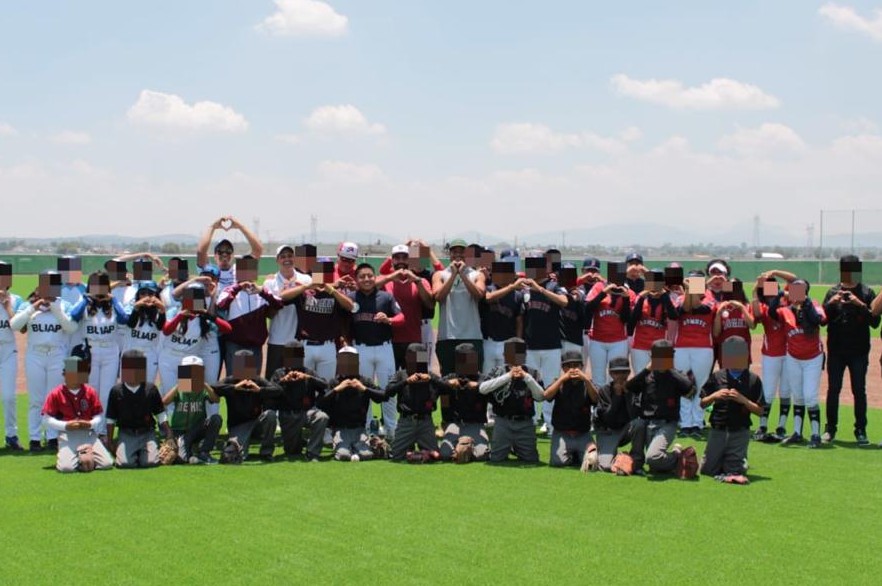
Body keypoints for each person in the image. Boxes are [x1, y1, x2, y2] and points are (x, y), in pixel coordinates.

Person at [10, 270, 78, 451]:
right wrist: (34, 306)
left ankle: (52, 436)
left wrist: (54, 307)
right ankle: (34, 437)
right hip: (35, 355)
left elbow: (71, 327)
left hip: (57, 355)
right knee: (36, 399)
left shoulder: (64, 305)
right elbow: (15, 325)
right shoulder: (28, 305)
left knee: (54, 397)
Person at [821, 255, 879, 445]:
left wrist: (858, 303)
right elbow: (821, 320)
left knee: (859, 390)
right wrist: (832, 302)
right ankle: (830, 429)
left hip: (859, 350)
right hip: (837, 349)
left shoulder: (866, 292)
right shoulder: (833, 292)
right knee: (833, 389)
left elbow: (875, 322)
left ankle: (860, 429)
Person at [69, 270, 130, 435]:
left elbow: (125, 319)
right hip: (91, 352)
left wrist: (114, 299)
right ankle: (90, 429)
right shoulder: (84, 302)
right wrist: (87, 298)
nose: (98, 288)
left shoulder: (112, 304)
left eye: (102, 284)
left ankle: (102, 431)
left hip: (110, 351)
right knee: (91, 391)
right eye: (95, 284)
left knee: (107, 393)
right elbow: (73, 316)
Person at [348, 263, 403, 438]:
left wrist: (390, 320)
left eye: (370, 275)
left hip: (384, 348)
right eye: (362, 276)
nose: (366, 279)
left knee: (389, 389)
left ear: (375, 277)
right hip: (360, 348)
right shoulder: (350, 298)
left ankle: (391, 429)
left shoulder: (386, 297)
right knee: (363, 389)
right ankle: (368, 428)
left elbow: (402, 317)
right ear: (356, 279)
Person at [771, 279, 827, 448]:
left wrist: (806, 303)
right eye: (793, 289)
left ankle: (816, 434)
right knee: (798, 396)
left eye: (800, 289)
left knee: (810, 397)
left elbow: (820, 320)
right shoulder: (786, 310)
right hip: (793, 357)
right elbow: (772, 313)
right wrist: (780, 294)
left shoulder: (814, 305)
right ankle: (797, 432)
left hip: (813, 357)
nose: (795, 293)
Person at [627, 340, 697, 476]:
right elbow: (629, 387)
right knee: (637, 423)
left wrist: (670, 368)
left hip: (666, 425)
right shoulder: (647, 375)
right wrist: (647, 369)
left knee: (653, 459)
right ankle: (637, 461)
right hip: (646, 423)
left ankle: (677, 455)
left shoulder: (675, 376)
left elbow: (690, 390)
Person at [699, 338, 764, 483]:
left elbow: (760, 411)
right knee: (707, 470)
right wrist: (714, 396)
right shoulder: (717, 376)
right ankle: (727, 458)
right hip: (718, 428)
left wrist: (743, 400)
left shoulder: (753, 380)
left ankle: (739, 460)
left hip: (739, 430)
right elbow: (702, 403)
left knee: (733, 470)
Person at [41, 355, 113, 472]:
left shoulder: (90, 391)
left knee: (107, 464)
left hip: (89, 434)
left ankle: (84, 455)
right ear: (64, 374)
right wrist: (65, 425)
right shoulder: (56, 393)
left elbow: (98, 415)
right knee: (66, 468)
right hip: (67, 435)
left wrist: (90, 424)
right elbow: (46, 419)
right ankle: (80, 457)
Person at [479, 338, 544, 463]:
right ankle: (507, 446)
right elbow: (482, 388)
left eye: (519, 354)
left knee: (531, 459)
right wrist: (507, 376)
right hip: (503, 422)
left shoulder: (532, 373)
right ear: (504, 356)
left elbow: (540, 397)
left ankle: (515, 447)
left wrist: (526, 377)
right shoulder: (497, 371)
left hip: (525, 423)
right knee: (496, 459)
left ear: (525, 356)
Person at [216, 255, 283, 375]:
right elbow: (220, 304)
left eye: (251, 269)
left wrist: (262, 292)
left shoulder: (262, 291)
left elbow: (279, 303)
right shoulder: (229, 290)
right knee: (234, 385)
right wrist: (238, 287)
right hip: (235, 345)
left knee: (253, 386)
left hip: (256, 347)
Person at [521, 265, 569, 433]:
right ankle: (531, 420)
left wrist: (540, 289)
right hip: (530, 345)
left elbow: (564, 301)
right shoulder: (524, 288)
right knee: (530, 384)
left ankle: (549, 424)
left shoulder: (553, 285)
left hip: (551, 345)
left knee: (551, 384)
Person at [105, 349, 172, 468]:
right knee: (125, 464)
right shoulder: (116, 391)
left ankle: (142, 452)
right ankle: (129, 451)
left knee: (151, 462)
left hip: (147, 433)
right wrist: (110, 441)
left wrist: (168, 432)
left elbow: (160, 413)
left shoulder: (150, 389)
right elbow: (111, 418)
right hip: (127, 433)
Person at [281, 274, 354, 381]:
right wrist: (306, 286)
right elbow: (282, 296)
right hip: (304, 345)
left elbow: (350, 306)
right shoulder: (304, 292)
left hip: (328, 345)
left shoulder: (333, 293)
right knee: (302, 384)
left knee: (326, 385)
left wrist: (332, 290)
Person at [319, 347, 387, 462]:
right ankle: (350, 447)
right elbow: (320, 403)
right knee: (343, 456)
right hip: (341, 430)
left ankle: (371, 442)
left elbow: (384, 396)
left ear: (357, 363)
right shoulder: (334, 382)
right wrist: (337, 389)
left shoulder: (364, 381)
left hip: (359, 429)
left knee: (366, 455)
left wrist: (364, 389)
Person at [751, 270, 796, 441]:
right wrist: (756, 288)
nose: (770, 286)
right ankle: (762, 425)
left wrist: (775, 271)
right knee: (768, 392)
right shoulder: (762, 304)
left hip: (791, 352)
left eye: (773, 283)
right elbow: (755, 315)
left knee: (785, 391)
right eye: (766, 285)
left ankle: (782, 426)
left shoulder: (787, 299)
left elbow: (796, 280)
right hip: (771, 353)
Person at [213, 349, 281, 462]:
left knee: (270, 415)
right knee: (241, 455)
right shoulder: (231, 380)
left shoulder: (257, 380)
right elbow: (214, 387)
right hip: (238, 425)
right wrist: (234, 387)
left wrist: (260, 390)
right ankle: (234, 446)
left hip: (256, 424)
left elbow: (278, 390)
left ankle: (266, 452)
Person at [267, 342, 330, 461]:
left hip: (307, 413)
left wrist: (308, 378)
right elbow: (269, 392)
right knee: (292, 451)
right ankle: (300, 441)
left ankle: (313, 452)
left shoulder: (308, 372)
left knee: (322, 417)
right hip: (288, 414)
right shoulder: (279, 373)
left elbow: (325, 386)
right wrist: (283, 381)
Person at [432, 239, 486, 375]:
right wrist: (453, 275)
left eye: (462, 252)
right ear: (449, 254)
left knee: (472, 381)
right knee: (447, 383)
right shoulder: (440, 275)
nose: (458, 255)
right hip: (447, 337)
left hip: (472, 336)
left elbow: (479, 294)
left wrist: (462, 274)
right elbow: (438, 296)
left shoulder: (477, 275)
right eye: (454, 252)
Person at [673, 270, 716, 439]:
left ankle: (697, 422)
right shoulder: (680, 298)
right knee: (684, 384)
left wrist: (691, 290)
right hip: (682, 346)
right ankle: (685, 423)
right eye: (692, 281)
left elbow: (700, 309)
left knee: (700, 385)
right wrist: (688, 291)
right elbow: (683, 310)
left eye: (698, 281)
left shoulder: (710, 298)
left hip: (703, 347)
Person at [383, 343, 444, 460]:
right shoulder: (401, 375)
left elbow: (448, 388)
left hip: (425, 422)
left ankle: (416, 454)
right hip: (406, 421)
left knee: (436, 456)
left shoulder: (430, 376)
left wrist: (431, 380)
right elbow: (388, 391)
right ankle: (414, 452)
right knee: (395, 456)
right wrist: (406, 381)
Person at [381, 245, 435, 371]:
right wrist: (389, 278)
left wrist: (417, 281)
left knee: (420, 377)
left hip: (416, 340)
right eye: (397, 258)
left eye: (405, 258)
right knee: (391, 381)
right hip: (389, 342)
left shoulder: (421, 281)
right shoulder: (385, 281)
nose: (400, 261)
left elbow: (430, 304)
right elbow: (370, 288)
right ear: (392, 260)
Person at [161, 355, 222, 464]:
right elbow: (164, 402)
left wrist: (205, 385)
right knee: (182, 459)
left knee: (216, 419)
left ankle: (204, 452)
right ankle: (193, 452)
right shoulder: (179, 389)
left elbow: (216, 400)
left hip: (197, 429)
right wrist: (179, 385)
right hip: (179, 432)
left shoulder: (202, 390)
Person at [542, 350, 599, 468]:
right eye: (569, 366)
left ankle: (578, 454)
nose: (573, 369)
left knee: (593, 462)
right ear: (563, 368)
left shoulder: (587, 384)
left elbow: (596, 399)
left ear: (582, 367)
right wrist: (562, 379)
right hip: (562, 434)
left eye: (576, 365)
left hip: (583, 434)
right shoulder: (558, 382)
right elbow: (546, 396)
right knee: (557, 462)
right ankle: (573, 457)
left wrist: (587, 380)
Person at [263, 244, 312, 377]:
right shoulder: (270, 283)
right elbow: (268, 313)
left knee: (297, 380)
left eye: (290, 256)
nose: (287, 259)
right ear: (277, 260)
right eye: (283, 256)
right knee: (274, 380)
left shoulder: (306, 280)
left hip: (299, 340)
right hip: (277, 338)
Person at [439, 343, 490, 461]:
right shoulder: (450, 378)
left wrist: (478, 387)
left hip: (475, 424)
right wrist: (448, 385)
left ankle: (465, 446)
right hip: (455, 424)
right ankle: (463, 447)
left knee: (482, 455)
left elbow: (493, 390)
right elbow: (437, 389)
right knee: (445, 455)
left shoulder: (482, 379)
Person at [594, 357, 643, 473]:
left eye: (624, 372)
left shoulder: (634, 390)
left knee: (640, 424)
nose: (620, 376)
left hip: (626, 430)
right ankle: (623, 457)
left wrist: (627, 394)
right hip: (608, 432)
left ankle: (636, 460)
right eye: (616, 372)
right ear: (610, 373)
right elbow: (608, 420)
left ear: (629, 372)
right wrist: (617, 396)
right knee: (605, 467)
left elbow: (634, 415)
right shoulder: (604, 391)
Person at [585, 271, 632, 388]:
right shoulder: (599, 286)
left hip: (618, 341)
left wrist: (626, 299)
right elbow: (588, 308)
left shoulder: (627, 290)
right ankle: (598, 406)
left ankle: (615, 405)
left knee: (616, 378)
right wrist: (604, 292)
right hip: (597, 341)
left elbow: (626, 319)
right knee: (598, 378)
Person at [196, 215, 264, 295]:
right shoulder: (210, 271)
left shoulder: (241, 269)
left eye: (228, 251)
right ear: (214, 256)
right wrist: (212, 227)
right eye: (220, 251)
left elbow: (258, 250)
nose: (224, 254)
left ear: (233, 255)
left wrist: (240, 226)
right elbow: (201, 252)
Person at [0, 261, 27, 450]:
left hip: (8, 351)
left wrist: (7, 305)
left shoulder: (16, 300)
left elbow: (20, 327)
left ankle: (11, 435)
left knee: (9, 396)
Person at [629, 275, 677, 374]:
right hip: (640, 346)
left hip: (661, 347)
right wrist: (642, 298)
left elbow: (674, 316)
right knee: (640, 376)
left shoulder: (668, 300)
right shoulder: (641, 298)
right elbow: (632, 321)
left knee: (662, 377)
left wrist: (664, 295)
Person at [123, 281, 165, 386]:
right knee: (129, 386)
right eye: (143, 293)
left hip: (150, 353)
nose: (146, 297)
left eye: (150, 294)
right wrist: (136, 307)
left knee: (147, 386)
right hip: (132, 351)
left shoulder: (159, 310)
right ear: (138, 294)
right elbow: (131, 324)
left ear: (156, 295)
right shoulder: (131, 306)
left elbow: (160, 326)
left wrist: (162, 310)